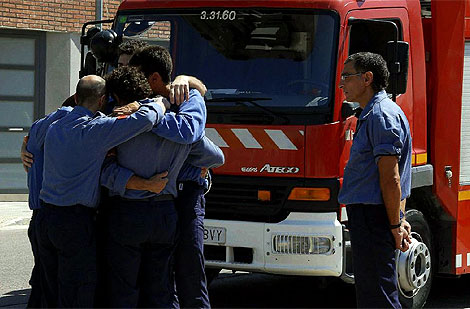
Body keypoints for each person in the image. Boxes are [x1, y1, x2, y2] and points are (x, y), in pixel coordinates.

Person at [35, 75, 166, 307]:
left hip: (44, 220)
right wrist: (157, 102)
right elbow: (146, 120)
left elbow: (34, 134)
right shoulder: (95, 130)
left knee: (51, 292)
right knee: (78, 292)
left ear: (76, 97)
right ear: (103, 100)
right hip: (73, 222)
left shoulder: (55, 126)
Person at [129, 45, 218, 308]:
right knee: (160, 277)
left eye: (138, 76)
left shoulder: (186, 98)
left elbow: (189, 131)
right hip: (157, 199)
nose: (134, 82)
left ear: (154, 78)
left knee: (190, 267)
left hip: (187, 192)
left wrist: (149, 117)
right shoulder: (137, 101)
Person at [338, 52, 412, 308]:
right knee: (373, 290)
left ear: (367, 78)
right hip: (373, 216)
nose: (342, 84)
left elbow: (391, 178)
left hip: (373, 217)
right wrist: (398, 220)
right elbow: (397, 178)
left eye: (347, 76)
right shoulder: (374, 113)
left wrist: (395, 225)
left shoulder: (380, 115)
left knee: (377, 294)